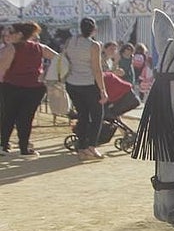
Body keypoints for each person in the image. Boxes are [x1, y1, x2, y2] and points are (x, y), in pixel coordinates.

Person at [0, 22, 59, 156]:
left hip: (12, 85)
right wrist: (46, 73)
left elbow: (3, 68)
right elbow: (59, 58)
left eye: (11, 32)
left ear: (19, 35)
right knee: (26, 118)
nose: (8, 35)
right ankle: (24, 147)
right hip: (35, 87)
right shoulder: (40, 47)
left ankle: (3, 144)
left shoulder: (11, 48)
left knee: (8, 115)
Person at [63, 17, 110, 160]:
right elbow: (97, 69)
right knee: (97, 116)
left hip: (72, 82)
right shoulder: (93, 45)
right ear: (93, 29)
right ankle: (91, 146)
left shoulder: (70, 41)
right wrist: (102, 89)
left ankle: (81, 146)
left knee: (82, 115)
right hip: (88, 83)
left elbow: (65, 58)